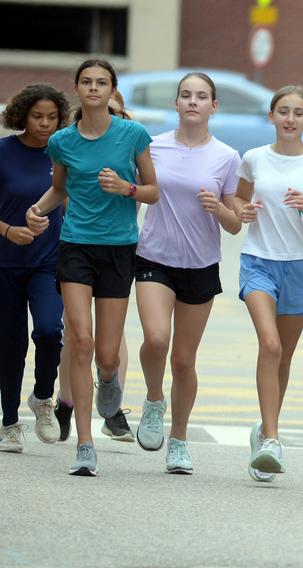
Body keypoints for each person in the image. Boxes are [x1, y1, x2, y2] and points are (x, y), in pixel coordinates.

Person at [26, 59, 158, 476]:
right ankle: (84, 444)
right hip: (75, 245)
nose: (94, 88)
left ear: (112, 89)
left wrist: (127, 188)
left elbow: (153, 192)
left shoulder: (133, 135)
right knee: (79, 341)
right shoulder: (62, 141)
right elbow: (59, 188)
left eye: (102, 82)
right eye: (87, 82)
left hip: (119, 249)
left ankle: (109, 379)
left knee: (105, 354)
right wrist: (38, 209)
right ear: (77, 89)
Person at [133, 72, 242, 474]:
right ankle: (153, 399)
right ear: (176, 104)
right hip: (154, 257)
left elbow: (234, 224)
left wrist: (219, 208)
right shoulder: (152, 147)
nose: (192, 102)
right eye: (185, 95)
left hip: (200, 265)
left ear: (214, 106)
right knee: (157, 337)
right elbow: (136, 193)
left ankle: (178, 439)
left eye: (201, 97)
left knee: (183, 359)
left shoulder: (227, 157)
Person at [233, 85, 303, 483]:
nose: (290, 119)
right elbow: (238, 200)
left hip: (299, 266)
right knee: (269, 345)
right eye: (283, 111)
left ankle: (263, 427)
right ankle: (273, 440)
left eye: (298, 113)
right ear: (271, 116)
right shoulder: (254, 159)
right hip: (258, 261)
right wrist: (245, 210)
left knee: (284, 357)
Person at [0, 84, 69, 453]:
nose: (45, 124)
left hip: (48, 262)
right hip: (4, 263)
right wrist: (8, 230)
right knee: (9, 346)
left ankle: (43, 397)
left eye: (52, 117)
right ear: (22, 116)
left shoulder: (63, 153)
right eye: (37, 117)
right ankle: (9, 423)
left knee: (47, 330)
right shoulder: (3, 151)